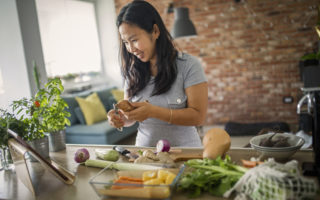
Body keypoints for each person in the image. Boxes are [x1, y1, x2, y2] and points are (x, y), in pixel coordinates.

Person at [107, 0, 208, 147]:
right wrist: (120, 118)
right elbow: (131, 118)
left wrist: (153, 112)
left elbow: (198, 117)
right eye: (126, 42)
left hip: (185, 154)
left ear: (155, 31)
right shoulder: (132, 71)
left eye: (134, 40)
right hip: (144, 154)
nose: (130, 48)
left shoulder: (189, 65)